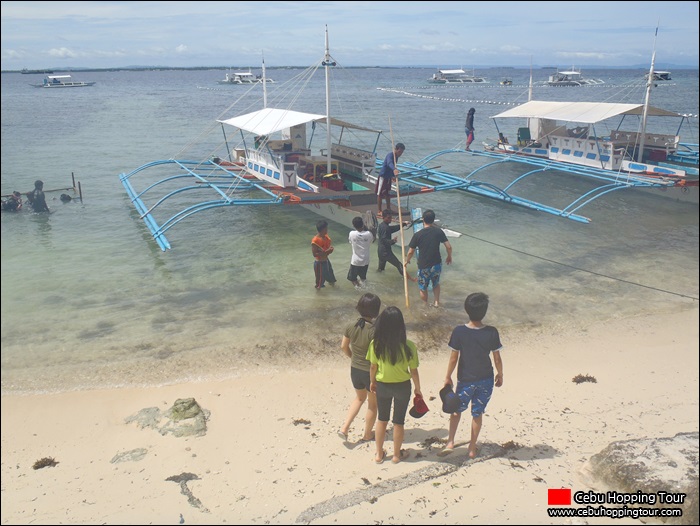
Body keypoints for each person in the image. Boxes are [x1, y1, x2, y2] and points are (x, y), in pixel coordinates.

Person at [442, 292, 503, 459]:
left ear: (466, 309)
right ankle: (472, 447)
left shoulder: (459, 331)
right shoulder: (491, 332)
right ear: (485, 311)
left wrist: (448, 376)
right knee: (477, 413)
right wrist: (500, 374)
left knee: (456, 411)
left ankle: (450, 441)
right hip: (486, 379)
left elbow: (454, 357)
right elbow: (496, 357)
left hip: (466, 380)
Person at [367, 306, 422, 464]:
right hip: (403, 386)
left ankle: (379, 454)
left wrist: (372, 382)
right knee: (399, 422)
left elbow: (373, 367)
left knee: (382, 420)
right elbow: (414, 371)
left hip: (383, 385)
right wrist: (418, 389)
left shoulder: (375, 344)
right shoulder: (409, 346)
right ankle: (397, 456)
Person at [339, 293, 382, 443]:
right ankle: (367, 434)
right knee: (372, 404)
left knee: (359, 398)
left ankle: (344, 428)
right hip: (369, 372)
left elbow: (343, 346)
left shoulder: (351, 326)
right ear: (376, 311)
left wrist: (352, 357)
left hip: (354, 369)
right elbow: (376, 358)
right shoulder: (374, 331)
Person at [404, 209, 452, 307]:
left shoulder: (418, 235)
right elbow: (449, 246)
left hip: (423, 266)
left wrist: (407, 261)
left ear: (423, 220)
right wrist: (449, 256)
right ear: (433, 220)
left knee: (423, 287)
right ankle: (436, 302)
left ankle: (425, 304)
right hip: (436, 264)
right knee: (436, 283)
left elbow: (410, 251)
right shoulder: (439, 232)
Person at [376, 143, 405, 215]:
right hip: (383, 177)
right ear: (395, 149)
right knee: (380, 194)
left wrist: (393, 176)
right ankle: (379, 210)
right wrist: (394, 169)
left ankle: (389, 209)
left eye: (402, 152)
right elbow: (389, 164)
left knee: (387, 193)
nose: (400, 154)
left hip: (389, 177)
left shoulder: (396, 157)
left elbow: (392, 167)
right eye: (399, 152)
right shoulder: (390, 155)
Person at [347, 216, 375, 289]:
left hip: (355, 261)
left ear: (353, 225)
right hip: (365, 260)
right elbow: (372, 240)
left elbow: (350, 241)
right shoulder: (369, 234)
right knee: (363, 278)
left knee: (352, 278)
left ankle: (359, 289)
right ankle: (364, 287)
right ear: (363, 224)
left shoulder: (351, 233)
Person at [311, 219, 336, 289]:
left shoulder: (326, 237)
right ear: (323, 229)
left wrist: (329, 251)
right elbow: (314, 254)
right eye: (326, 228)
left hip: (326, 260)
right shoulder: (315, 240)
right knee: (319, 283)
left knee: (331, 276)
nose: (327, 230)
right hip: (319, 263)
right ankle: (318, 297)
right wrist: (327, 252)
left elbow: (326, 248)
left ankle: (334, 290)